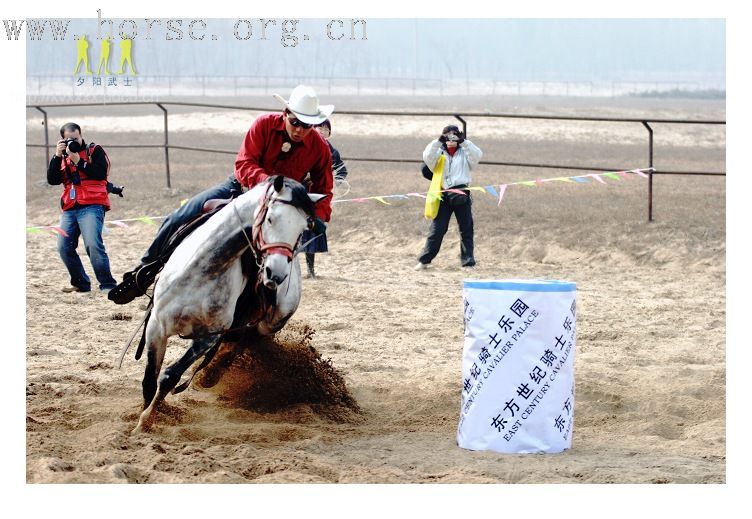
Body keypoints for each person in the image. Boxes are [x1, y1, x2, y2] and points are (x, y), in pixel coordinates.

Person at [117, 85, 335, 301]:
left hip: (281, 204)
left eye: (306, 125)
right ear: (285, 113)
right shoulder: (264, 125)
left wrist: (319, 215)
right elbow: (244, 163)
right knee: (179, 217)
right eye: (295, 122)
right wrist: (266, 183)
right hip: (240, 188)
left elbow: (324, 187)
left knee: (280, 254)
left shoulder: (319, 148)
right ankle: (145, 270)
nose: (299, 129)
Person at [47, 122, 118, 293]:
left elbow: (101, 174)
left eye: (76, 138)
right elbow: (52, 179)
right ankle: (81, 284)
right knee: (64, 247)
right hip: (70, 207)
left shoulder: (94, 150)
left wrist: (79, 162)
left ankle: (107, 284)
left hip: (92, 204)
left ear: (81, 135)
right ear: (62, 139)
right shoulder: (62, 156)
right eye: (68, 139)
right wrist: (57, 156)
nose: (73, 142)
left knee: (93, 244)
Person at [415, 124, 483, 270]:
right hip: (443, 195)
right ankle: (424, 260)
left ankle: (468, 262)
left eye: (454, 135)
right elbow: (427, 156)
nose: (451, 138)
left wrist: (463, 141)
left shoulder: (465, 154)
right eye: (448, 135)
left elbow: (477, 155)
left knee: (466, 228)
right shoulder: (438, 154)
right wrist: (439, 141)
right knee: (437, 229)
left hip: (462, 194)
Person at [300, 119, 349, 278]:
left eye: (326, 128)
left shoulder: (333, 152)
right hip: (301, 194)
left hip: (319, 197)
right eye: (319, 127)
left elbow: (342, 171)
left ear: (329, 133)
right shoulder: (304, 146)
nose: (322, 130)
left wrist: (334, 181)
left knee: (311, 230)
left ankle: (310, 270)